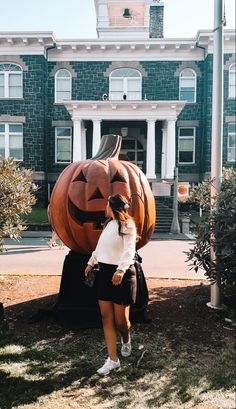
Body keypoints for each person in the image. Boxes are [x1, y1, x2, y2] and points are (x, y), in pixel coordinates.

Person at [84, 194, 137, 376]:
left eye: (107, 204)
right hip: (105, 274)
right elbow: (100, 248)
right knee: (107, 319)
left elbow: (130, 250)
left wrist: (121, 270)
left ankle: (126, 338)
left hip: (121, 275)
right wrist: (91, 262)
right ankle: (113, 360)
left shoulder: (128, 225)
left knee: (121, 321)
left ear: (112, 207)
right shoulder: (108, 225)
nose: (105, 207)